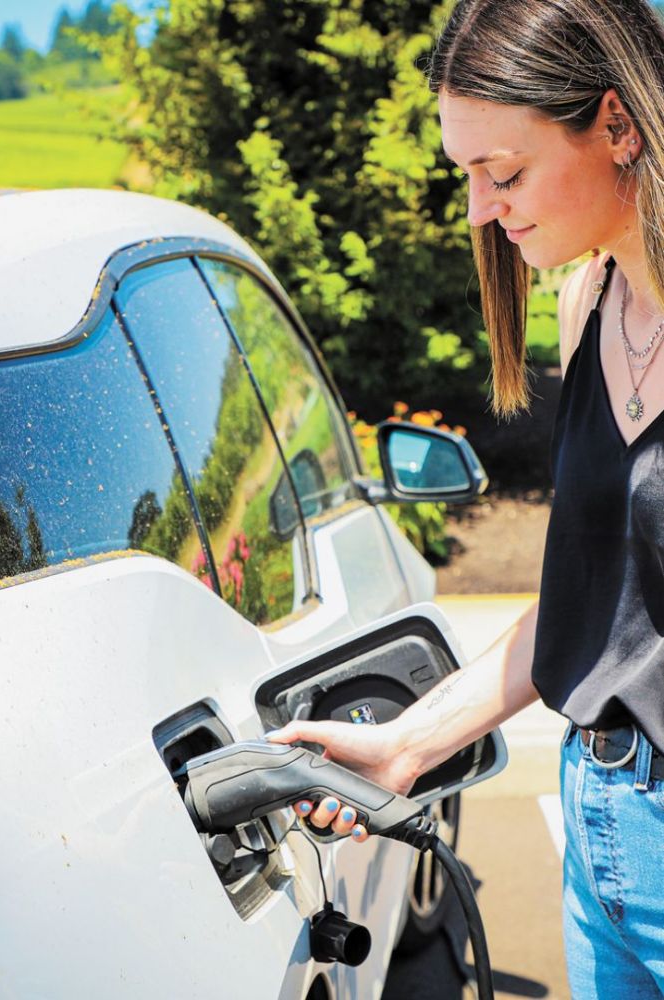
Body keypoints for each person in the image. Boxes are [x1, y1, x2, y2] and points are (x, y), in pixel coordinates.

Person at [267, 0, 664, 995]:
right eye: (469, 177)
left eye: (506, 171)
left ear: (617, 125)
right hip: (599, 822)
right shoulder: (588, 304)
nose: (481, 209)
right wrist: (403, 746)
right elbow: (593, 614)